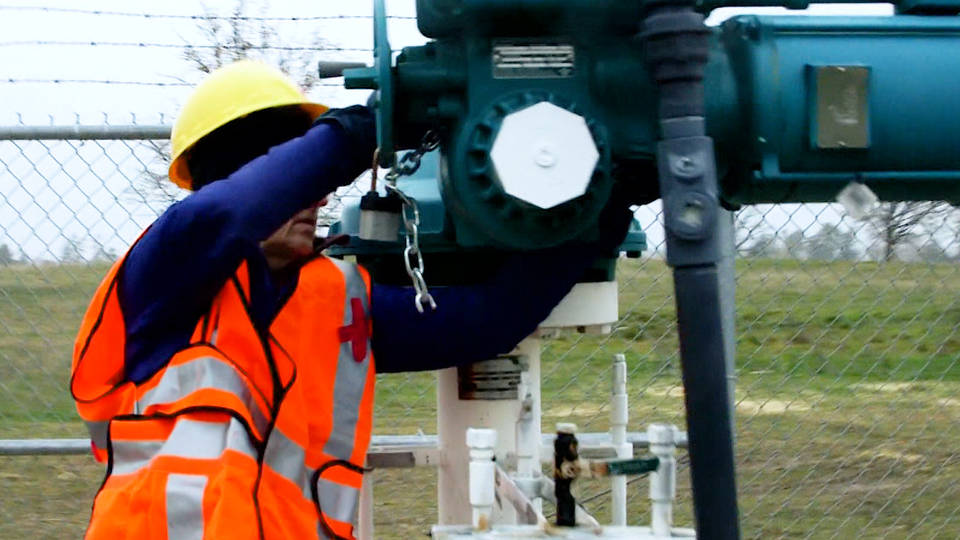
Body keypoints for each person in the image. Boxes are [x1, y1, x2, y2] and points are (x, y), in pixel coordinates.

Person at [70, 60, 632, 540]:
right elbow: (226, 214)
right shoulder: (162, 275)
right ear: (233, 178)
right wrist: (359, 131)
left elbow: (487, 320)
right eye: (288, 171)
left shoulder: (337, 299)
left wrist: (596, 213)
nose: (315, 193)